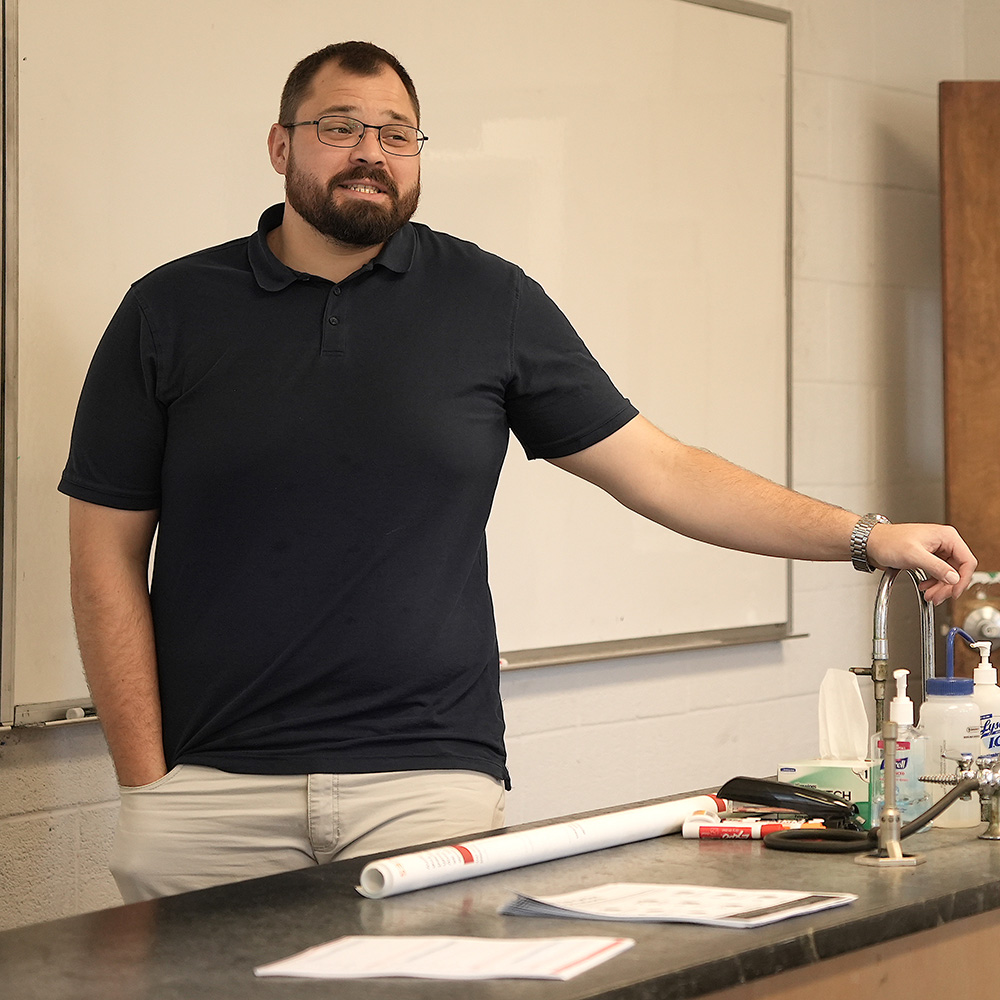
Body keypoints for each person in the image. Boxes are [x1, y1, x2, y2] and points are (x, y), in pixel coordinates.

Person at [59, 41, 976, 903]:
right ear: (280, 145)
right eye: (339, 126)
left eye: (397, 134)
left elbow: (660, 470)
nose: (370, 152)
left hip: (425, 781)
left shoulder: (489, 301)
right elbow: (104, 559)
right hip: (210, 786)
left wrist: (866, 537)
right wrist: (150, 785)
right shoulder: (168, 311)